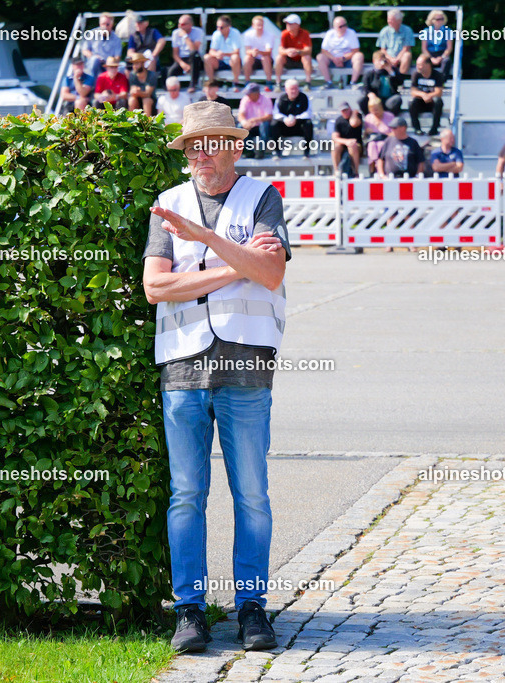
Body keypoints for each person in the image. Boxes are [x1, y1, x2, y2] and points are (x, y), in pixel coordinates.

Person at [142, 99, 289, 655]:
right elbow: (157, 288)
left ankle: (252, 607)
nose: (204, 153)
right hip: (182, 364)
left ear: (236, 145)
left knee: (251, 493)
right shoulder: (169, 204)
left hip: (247, 364)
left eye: (215, 142)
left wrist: (202, 248)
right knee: (186, 494)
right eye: (195, 145)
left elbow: (271, 273)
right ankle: (190, 611)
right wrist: (234, 262)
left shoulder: (262, 198)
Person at [270, 78, 313, 157]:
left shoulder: (304, 98)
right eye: (291, 89)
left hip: (299, 126)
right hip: (285, 127)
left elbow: (308, 113)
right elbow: (276, 114)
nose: (294, 91)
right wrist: (285, 119)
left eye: (296, 89)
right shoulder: (281, 99)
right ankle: (276, 151)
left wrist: (296, 119)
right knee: (274, 124)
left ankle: (307, 151)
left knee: (308, 123)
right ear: (286, 90)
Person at [317, 16, 364, 88]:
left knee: (359, 56)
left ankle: (353, 82)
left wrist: (343, 58)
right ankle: (328, 82)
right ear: (334, 27)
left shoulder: (351, 33)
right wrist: (334, 59)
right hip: (332, 59)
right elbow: (324, 50)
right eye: (341, 26)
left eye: (345, 25)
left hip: (347, 59)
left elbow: (356, 50)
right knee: (320, 57)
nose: (344, 28)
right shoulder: (330, 34)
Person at [204, 15, 243, 91]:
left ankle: (235, 84)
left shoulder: (235, 33)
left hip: (232, 62)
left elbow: (237, 51)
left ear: (228, 26)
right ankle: (211, 84)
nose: (219, 29)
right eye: (217, 27)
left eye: (221, 27)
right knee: (207, 57)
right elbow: (211, 51)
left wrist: (224, 54)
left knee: (235, 57)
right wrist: (217, 54)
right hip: (220, 62)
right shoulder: (216, 34)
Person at [275, 14, 313, 90]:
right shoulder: (284, 34)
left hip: (301, 61)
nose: (288, 25)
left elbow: (308, 50)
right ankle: (278, 83)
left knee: (307, 57)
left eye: (290, 23)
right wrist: (288, 52)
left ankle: (308, 82)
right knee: (279, 58)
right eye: (287, 23)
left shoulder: (304, 33)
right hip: (289, 61)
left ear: (297, 25)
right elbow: (280, 50)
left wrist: (298, 52)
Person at [357, 51, 402, 116]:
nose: (382, 62)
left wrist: (390, 71)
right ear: (374, 61)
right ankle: (369, 117)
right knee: (361, 100)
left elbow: (400, 82)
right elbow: (365, 88)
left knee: (397, 99)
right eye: (379, 60)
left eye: (383, 60)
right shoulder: (370, 73)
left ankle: (390, 118)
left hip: (388, 100)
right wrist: (371, 95)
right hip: (375, 100)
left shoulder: (392, 71)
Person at [408, 55, 444, 136]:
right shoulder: (416, 74)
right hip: (420, 103)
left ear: (428, 65)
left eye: (420, 64)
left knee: (438, 101)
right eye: (417, 64)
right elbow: (413, 92)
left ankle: (434, 129)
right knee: (411, 102)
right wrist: (423, 95)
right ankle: (417, 129)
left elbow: (439, 92)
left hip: (432, 104)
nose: (418, 67)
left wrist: (429, 96)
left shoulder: (437, 75)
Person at [169, 14, 206, 92]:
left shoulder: (198, 32)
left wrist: (185, 36)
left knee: (194, 55)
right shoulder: (175, 33)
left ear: (190, 25)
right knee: (170, 72)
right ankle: (171, 90)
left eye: (183, 24)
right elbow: (175, 54)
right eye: (179, 24)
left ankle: (193, 85)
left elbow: (194, 49)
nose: (180, 26)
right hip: (182, 59)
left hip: (196, 58)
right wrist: (182, 64)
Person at [81, 13, 123, 77]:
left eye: (107, 24)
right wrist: (94, 56)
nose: (105, 27)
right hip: (95, 63)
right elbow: (85, 50)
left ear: (112, 25)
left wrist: (110, 63)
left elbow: (117, 57)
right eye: (103, 24)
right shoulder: (92, 34)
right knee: (94, 60)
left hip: (109, 65)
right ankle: (92, 85)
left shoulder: (117, 39)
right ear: (99, 24)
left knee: (123, 67)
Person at [238, 83, 273, 159]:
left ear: (256, 93)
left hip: (261, 125)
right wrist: (244, 122)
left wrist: (256, 120)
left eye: (249, 93)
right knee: (240, 127)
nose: (247, 95)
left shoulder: (266, 99)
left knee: (265, 125)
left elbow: (269, 116)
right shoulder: (245, 99)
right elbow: (241, 115)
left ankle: (261, 151)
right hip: (249, 125)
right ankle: (248, 151)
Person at [363, 93, 397, 172]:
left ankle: (380, 169)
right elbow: (364, 135)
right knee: (371, 145)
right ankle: (372, 169)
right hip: (372, 140)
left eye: (377, 110)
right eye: (372, 110)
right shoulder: (368, 118)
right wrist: (367, 131)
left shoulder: (389, 116)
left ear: (381, 107)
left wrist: (383, 133)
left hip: (386, 140)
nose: (375, 112)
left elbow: (394, 133)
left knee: (381, 145)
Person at [376, 9, 415, 76]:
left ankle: (400, 79)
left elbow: (406, 48)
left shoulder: (407, 30)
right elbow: (382, 50)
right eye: (388, 19)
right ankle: (380, 80)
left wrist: (397, 59)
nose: (389, 21)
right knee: (377, 56)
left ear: (399, 21)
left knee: (407, 55)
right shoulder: (384, 31)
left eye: (392, 20)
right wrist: (390, 58)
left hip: (401, 57)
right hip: (387, 57)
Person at [331, 102, 362, 176]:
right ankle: (336, 171)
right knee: (336, 147)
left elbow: (354, 123)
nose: (345, 112)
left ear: (350, 109)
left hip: (356, 145)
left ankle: (355, 172)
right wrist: (346, 142)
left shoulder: (357, 116)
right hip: (344, 144)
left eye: (346, 110)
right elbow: (335, 137)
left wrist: (354, 113)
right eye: (343, 110)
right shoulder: (339, 120)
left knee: (353, 146)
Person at [242, 15, 274, 88]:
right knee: (247, 58)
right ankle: (247, 82)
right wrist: (253, 52)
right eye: (258, 25)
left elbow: (269, 52)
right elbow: (247, 51)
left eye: (261, 25)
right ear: (253, 26)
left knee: (265, 58)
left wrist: (259, 52)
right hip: (254, 60)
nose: (260, 27)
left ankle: (269, 82)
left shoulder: (269, 35)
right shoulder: (248, 35)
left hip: (266, 61)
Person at [420, 10, 454, 77]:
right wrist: (431, 58)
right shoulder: (426, 31)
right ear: (432, 20)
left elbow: (449, 48)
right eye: (438, 19)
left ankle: (442, 81)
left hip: (442, 53)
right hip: (429, 53)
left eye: (442, 19)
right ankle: (425, 81)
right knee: (423, 61)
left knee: (446, 61)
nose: (440, 21)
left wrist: (441, 57)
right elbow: (424, 48)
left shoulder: (448, 31)